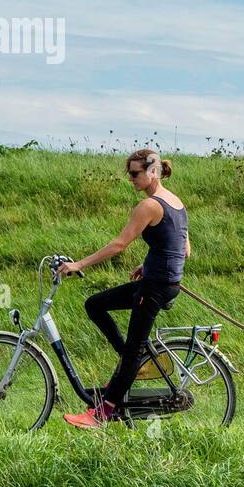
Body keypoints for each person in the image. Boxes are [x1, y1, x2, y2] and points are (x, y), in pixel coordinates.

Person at [59, 149, 190, 429]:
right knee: (94, 304)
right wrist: (150, 263)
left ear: (152, 171)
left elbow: (119, 245)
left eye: (135, 173)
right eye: (129, 173)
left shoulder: (150, 206)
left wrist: (78, 263)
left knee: (134, 349)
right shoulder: (177, 202)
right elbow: (184, 249)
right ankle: (129, 367)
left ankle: (102, 413)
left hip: (155, 288)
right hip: (162, 283)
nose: (130, 179)